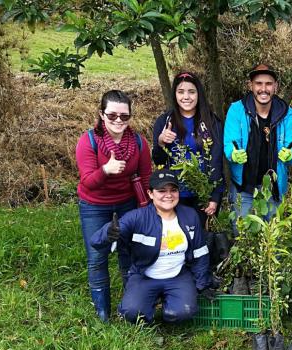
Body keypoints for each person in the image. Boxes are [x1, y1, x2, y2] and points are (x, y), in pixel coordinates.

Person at [91, 169, 212, 324]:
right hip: (145, 275)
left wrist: (203, 283)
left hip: (178, 275)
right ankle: (146, 303)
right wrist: (108, 233)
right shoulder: (137, 217)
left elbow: (200, 251)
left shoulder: (190, 215)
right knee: (132, 312)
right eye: (161, 191)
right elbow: (96, 241)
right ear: (150, 193)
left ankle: (171, 308)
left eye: (173, 190)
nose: (168, 195)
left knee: (184, 312)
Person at [75, 89, 152, 322]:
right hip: (94, 205)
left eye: (124, 116)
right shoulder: (88, 141)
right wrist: (106, 170)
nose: (118, 120)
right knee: (97, 256)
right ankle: (103, 314)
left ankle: (131, 306)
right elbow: (87, 181)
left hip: (127, 203)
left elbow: (146, 177)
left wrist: (147, 208)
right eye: (112, 116)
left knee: (128, 253)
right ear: (101, 114)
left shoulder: (138, 142)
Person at [224, 64, 292, 222]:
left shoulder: (287, 113)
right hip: (243, 187)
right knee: (242, 235)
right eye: (259, 83)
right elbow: (230, 142)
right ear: (250, 85)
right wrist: (232, 153)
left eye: (269, 84)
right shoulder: (237, 110)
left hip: (274, 188)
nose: (263, 89)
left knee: (272, 239)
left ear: (275, 86)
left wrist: (291, 154)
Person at [152, 71, 225, 227]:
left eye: (191, 92)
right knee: (177, 241)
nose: (186, 97)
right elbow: (158, 160)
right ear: (175, 94)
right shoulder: (165, 121)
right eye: (181, 92)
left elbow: (216, 161)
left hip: (203, 193)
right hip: (174, 194)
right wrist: (161, 142)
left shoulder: (212, 123)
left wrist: (214, 197)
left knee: (202, 240)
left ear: (199, 94)